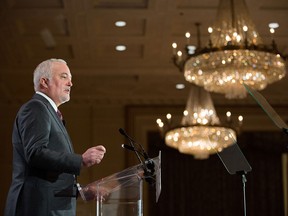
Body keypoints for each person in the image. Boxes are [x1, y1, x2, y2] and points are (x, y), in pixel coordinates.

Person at [4, 58, 106, 216]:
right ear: (44, 82)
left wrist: (81, 191)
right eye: (64, 77)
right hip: (37, 208)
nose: (70, 83)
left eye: (71, 79)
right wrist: (81, 160)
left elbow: (49, 174)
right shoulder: (35, 107)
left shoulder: (51, 113)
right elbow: (35, 153)